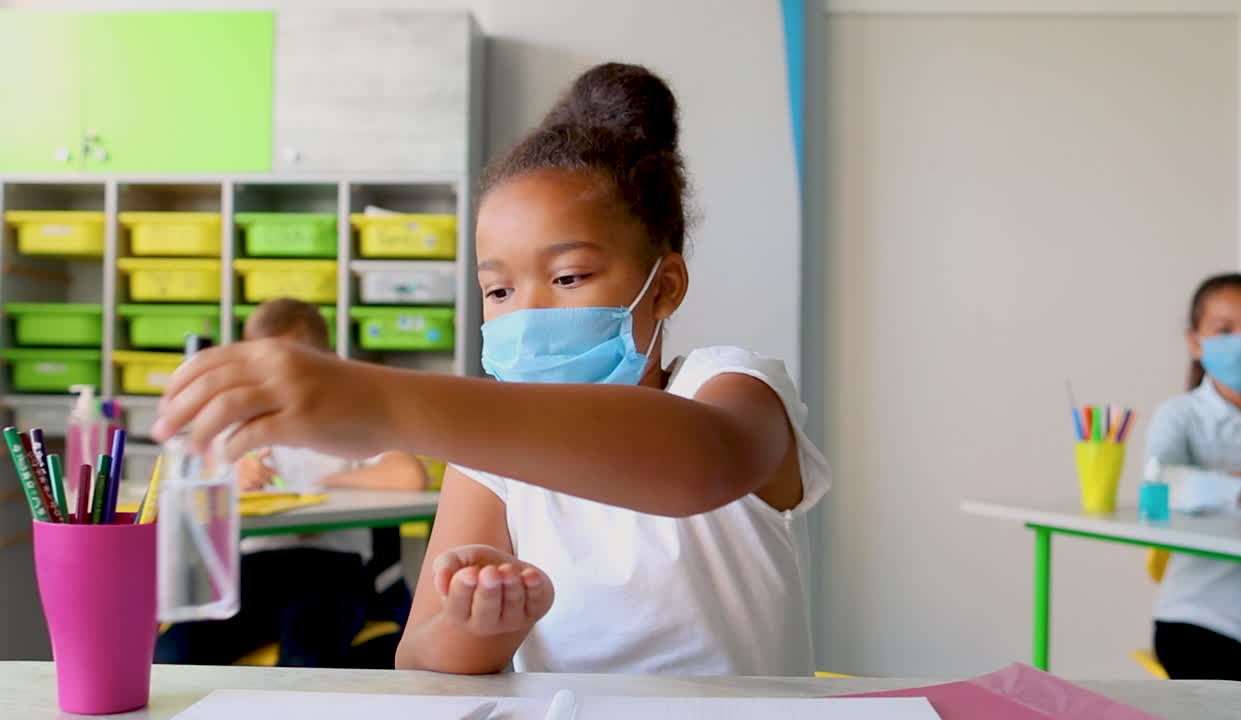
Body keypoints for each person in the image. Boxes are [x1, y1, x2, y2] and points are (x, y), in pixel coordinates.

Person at [151, 63, 831, 676]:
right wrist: (480, 628)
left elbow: (704, 462)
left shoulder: (730, 384)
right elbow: (418, 657)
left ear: (665, 285)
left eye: (568, 276)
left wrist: (380, 401)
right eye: (499, 291)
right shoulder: (491, 459)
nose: (527, 312)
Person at [154, 298, 427, 668]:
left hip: (334, 568)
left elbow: (408, 476)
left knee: (305, 656)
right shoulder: (239, 421)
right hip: (255, 568)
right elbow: (193, 487)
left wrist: (323, 485)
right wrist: (226, 475)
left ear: (326, 361)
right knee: (173, 654)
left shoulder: (352, 415)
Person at [1145, 273, 1241, 685]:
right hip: (1199, 622)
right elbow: (1159, 486)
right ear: (1195, 342)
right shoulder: (1179, 415)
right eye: (1225, 329)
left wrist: (1216, 488)